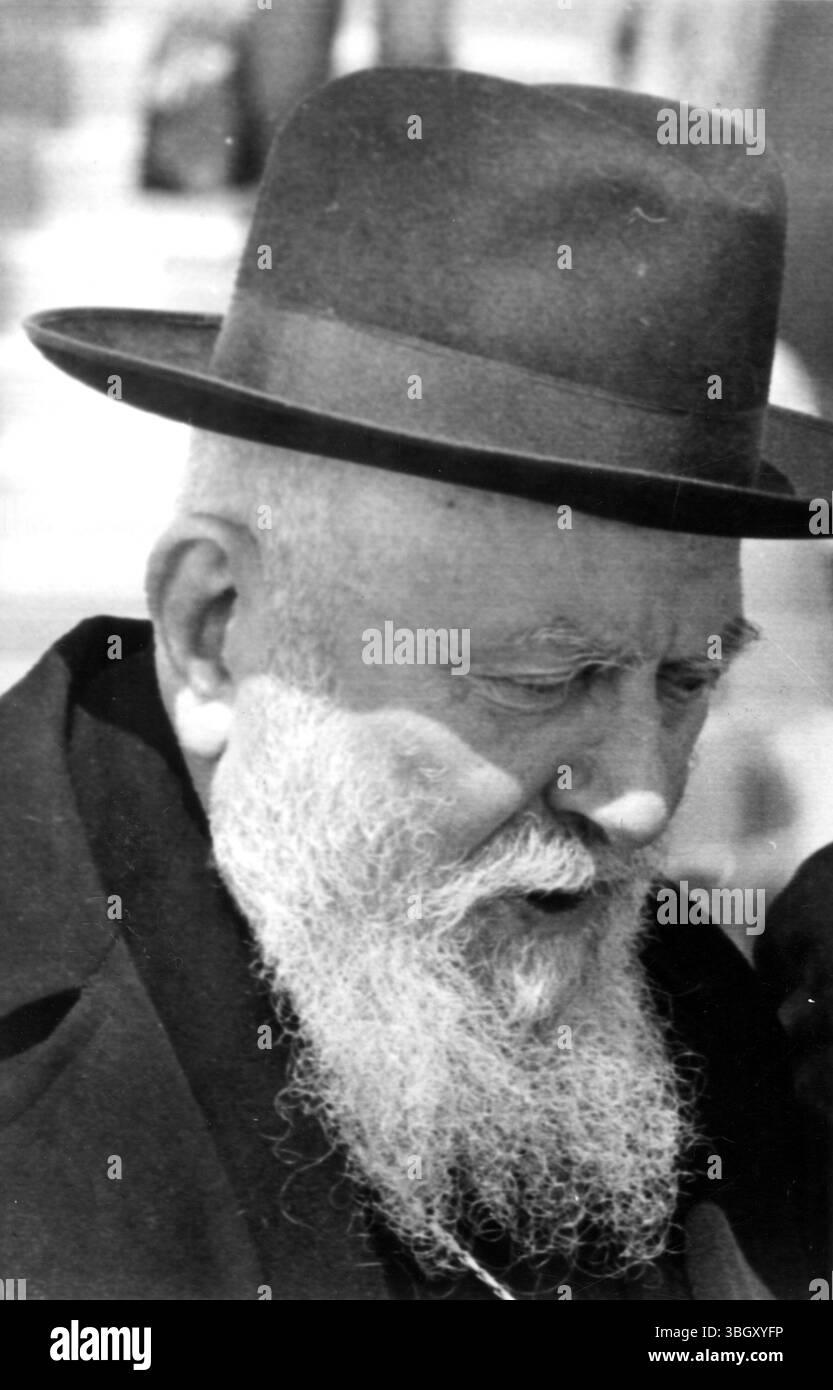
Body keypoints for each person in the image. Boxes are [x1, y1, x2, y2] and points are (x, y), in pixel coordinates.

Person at [3, 68, 831, 1301]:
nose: (640, 802)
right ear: (212, 629)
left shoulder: (675, 998)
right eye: (540, 677)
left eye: (683, 679)